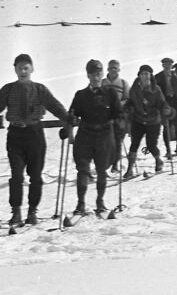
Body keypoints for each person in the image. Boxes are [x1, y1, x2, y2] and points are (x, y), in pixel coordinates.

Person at [0, 54, 69, 226]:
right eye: (19, 68)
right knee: (16, 175)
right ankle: (16, 212)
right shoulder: (8, 89)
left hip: (35, 134)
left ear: (32, 69)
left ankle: (32, 212)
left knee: (36, 176)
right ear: (15, 69)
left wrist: (68, 118)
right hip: (16, 135)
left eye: (26, 68)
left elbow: (54, 106)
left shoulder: (40, 89)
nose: (23, 71)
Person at [68, 59, 124, 216]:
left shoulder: (110, 93)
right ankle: (81, 204)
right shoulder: (80, 95)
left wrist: (119, 125)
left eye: (98, 74)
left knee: (101, 170)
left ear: (102, 74)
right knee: (83, 170)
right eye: (92, 74)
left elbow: (118, 113)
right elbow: (72, 113)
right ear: (88, 75)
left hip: (104, 136)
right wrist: (71, 122)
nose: (96, 77)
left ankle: (100, 202)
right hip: (85, 135)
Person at [123, 64, 167, 179]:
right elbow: (130, 101)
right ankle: (130, 169)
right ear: (139, 76)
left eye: (147, 74)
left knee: (151, 145)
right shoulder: (134, 89)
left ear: (151, 75)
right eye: (143, 74)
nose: (145, 76)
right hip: (138, 120)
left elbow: (162, 103)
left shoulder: (156, 89)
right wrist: (127, 107)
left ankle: (158, 160)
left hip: (153, 121)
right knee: (134, 144)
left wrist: (166, 109)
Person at [153, 56, 177, 158]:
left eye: (169, 64)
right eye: (165, 64)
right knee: (166, 126)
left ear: (172, 65)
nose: (167, 66)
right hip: (165, 103)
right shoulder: (157, 77)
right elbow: (155, 92)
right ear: (163, 65)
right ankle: (168, 150)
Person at [103, 59, 130, 173]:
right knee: (104, 141)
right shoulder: (102, 82)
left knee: (118, 141)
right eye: (111, 67)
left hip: (119, 116)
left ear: (119, 69)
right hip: (104, 117)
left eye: (115, 68)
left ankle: (115, 164)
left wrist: (118, 104)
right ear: (107, 69)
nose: (113, 70)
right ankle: (103, 165)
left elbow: (128, 99)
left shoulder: (123, 83)